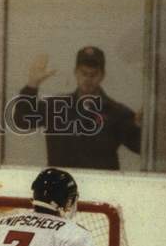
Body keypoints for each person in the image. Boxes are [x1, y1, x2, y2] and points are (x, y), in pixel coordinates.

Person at [13, 47, 141, 170]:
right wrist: (32, 85)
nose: (88, 79)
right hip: (61, 186)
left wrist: (143, 128)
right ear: (75, 72)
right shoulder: (56, 107)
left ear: (102, 75)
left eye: (94, 74)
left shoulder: (117, 113)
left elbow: (140, 147)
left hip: (101, 188)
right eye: (84, 73)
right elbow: (22, 122)